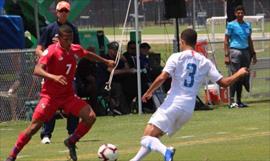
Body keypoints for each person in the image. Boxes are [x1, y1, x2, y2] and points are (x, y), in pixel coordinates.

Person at [129, 28, 249, 161]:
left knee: (146, 138)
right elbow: (224, 83)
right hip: (188, 109)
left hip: (174, 103)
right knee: (153, 137)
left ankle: (167, 151)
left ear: (182, 41)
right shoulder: (204, 61)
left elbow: (163, 77)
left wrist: (149, 92)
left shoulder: (177, 57)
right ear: (195, 42)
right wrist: (239, 73)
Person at [5, 24, 115, 161]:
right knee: (33, 128)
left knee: (90, 117)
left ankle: (71, 141)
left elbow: (87, 54)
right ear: (60, 39)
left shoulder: (75, 49)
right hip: (50, 97)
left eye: (71, 39)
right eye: (67, 39)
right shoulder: (51, 51)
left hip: (68, 96)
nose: (70, 42)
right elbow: (37, 70)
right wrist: (54, 77)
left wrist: (106, 61)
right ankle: (12, 155)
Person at [35, 0, 80, 144]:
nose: (64, 13)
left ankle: (72, 132)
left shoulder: (73, 28)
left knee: (73, 101)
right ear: (56, 12)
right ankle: (46, 134)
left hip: (67, 74)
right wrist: (46, 58)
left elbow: (78, 50)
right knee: (50, 104)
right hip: (52, 74)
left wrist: (75, 61)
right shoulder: (50, 28)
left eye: (66, 11)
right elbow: (39, 49)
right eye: (61, 11)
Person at [224, 5, 257, 108]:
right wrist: (226, 55)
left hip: (246, 52)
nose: (240, 14)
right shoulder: (231, 25)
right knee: (235, 77)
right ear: (235, 14)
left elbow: (249, 40)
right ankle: (232, 101)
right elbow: (226, 40)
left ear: (244, 13)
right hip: (235, 52)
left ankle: (239, 101)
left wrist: (253, 54)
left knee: (243, 77)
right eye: (238, 12)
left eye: (242, 12)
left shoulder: (247, 25)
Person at [98, 41, 136, 114]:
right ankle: (120, 109)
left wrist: (124, 60)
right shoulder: (105, 59)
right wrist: (127, 70)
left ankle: (129, 107)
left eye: (118, 50)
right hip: (105, 83)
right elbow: (112, 72)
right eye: (114, 50)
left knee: (130, 84)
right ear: (109, 50)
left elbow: (127, 68)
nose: (116, 52)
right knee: (117, 86)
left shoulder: (119, 59)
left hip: (118, 82)